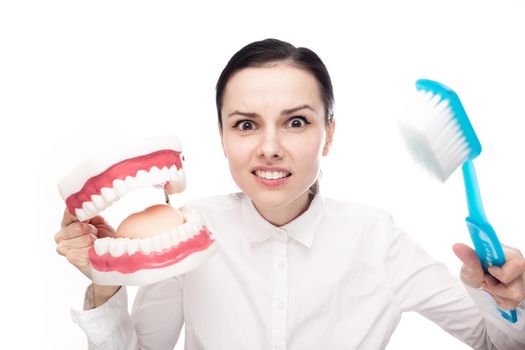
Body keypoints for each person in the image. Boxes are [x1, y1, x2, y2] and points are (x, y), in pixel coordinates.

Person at [54, 38, 525, 349]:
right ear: (221, 137)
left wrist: (507, 301)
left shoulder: (375, 238)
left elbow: (493, 341)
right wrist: (106, 280)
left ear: (330, 134)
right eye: (245, 125)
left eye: (296, 122)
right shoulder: (188, 231)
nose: (270, 148)